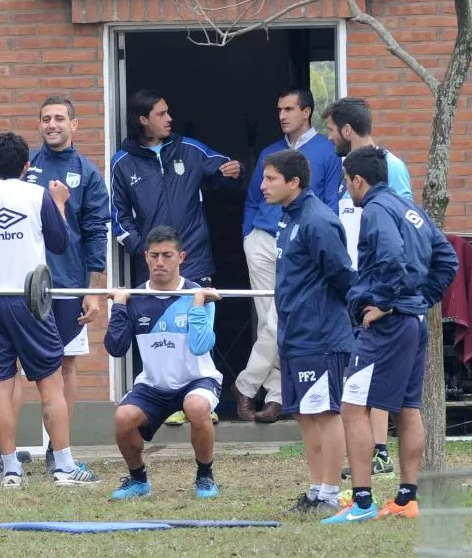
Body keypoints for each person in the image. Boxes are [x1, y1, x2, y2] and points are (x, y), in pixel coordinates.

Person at [0, 131, 100, 489]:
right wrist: (60, 205)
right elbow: (60, 243)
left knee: (0, 385)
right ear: (27, 166)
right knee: (50, 382)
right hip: (29, 300)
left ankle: (11, 470)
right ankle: (63, 466)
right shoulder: (37, 194)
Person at [322, 146, 458, 524]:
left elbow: (392, 258)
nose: (346, 189)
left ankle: (363, 502)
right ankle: (405, 500)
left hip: (388, 325)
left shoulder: (376, 210)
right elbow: (448, 259)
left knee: (353, 407)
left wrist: (386, 303)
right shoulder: (409, 207)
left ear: (359, 180)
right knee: (408, 408)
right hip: (412, 321)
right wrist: (420, 301)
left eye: (346, 182)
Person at [0, 97, 111, 480]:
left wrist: (93, 289)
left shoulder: (88, 174)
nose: (51, 124)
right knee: (9, 371)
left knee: (64, 366)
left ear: (75, 123)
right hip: (21, 290)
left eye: (59, 118)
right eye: (45, 119)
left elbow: (96, 233)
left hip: (66, 286)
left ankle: (58, 451)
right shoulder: (24, 171)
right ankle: (6, 456)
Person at [110, 89, 244, 423]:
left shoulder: (190, 149)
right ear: (143, 120)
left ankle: (200, 400)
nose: (170, 119)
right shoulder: (122, 163)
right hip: (156, 263)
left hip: (195, 258)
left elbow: (223, 167)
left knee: (197, 331)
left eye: (169, 112)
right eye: (161, 114)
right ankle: (167, 401)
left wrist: (233, 169)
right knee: (159, 330)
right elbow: (116, 214)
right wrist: (140, 245)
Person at [238, 88, 344, 424]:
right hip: (262, 241)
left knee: (277, 321)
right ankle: (275, 395)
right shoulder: (271, 151)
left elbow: (329, 202)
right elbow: (254, 199)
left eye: (289, 109)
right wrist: (248, 234)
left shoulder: (327, 151)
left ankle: (250, 385)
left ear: (307, 112)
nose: (282, 115)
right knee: (269, 318)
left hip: (298, 241)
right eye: (279, 109)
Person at [323, 96, 414, 479]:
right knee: (361, 375)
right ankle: (374, 452)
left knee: (371, 379)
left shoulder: (390, 166)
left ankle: (378, 455)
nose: (328, 138)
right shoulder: (347, 170)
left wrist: (389, 294)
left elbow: (406, 228)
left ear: (347, 130)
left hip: (382, 291)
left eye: (330, 130)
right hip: (356, 286)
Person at [260, 149, 354, 515]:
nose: (263, 185)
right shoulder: (288, 219)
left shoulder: (318, 220)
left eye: (270, 179)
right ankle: (315, 490)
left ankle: (330, 493)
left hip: (322, 336)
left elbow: (343, 276)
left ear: (294, 182)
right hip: (295, 335)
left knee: (325, 413)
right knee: (304, 414)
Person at [104, 226, 223, 500]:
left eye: (167, 255)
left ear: (181, 257)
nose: (160, 262)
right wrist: (120, 306)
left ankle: (205, 476)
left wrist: (197, 305)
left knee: (196, 406)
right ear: (145, 256)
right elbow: (115, 348)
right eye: (154, 255)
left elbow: (200, 345)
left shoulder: (199, 295)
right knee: (123, 418)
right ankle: (138, 481)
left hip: (197, 379)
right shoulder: (135, 299)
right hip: (154, 385)